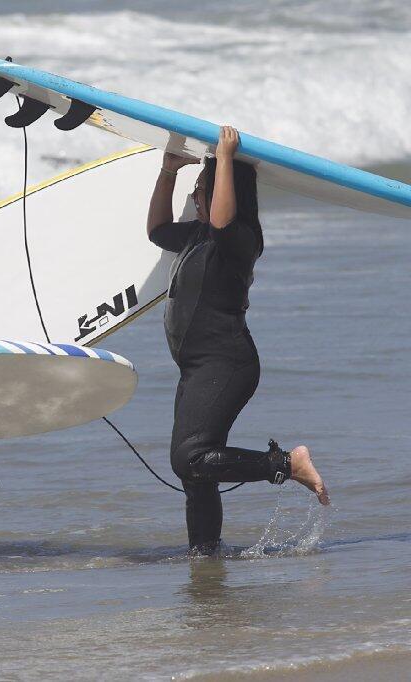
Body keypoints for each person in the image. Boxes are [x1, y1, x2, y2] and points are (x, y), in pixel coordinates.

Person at [147, 126, 329, 555]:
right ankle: (205, 555)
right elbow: (156, 229)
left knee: (190, 457)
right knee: (194, 470)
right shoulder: (196, 236)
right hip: (196, 367)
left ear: (226, 191)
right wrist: (168, 172)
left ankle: (287, 464)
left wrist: (225, 158)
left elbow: (223, 218)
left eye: (201, 191)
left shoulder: (240, 238)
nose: (196, 199)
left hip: (225, 362)